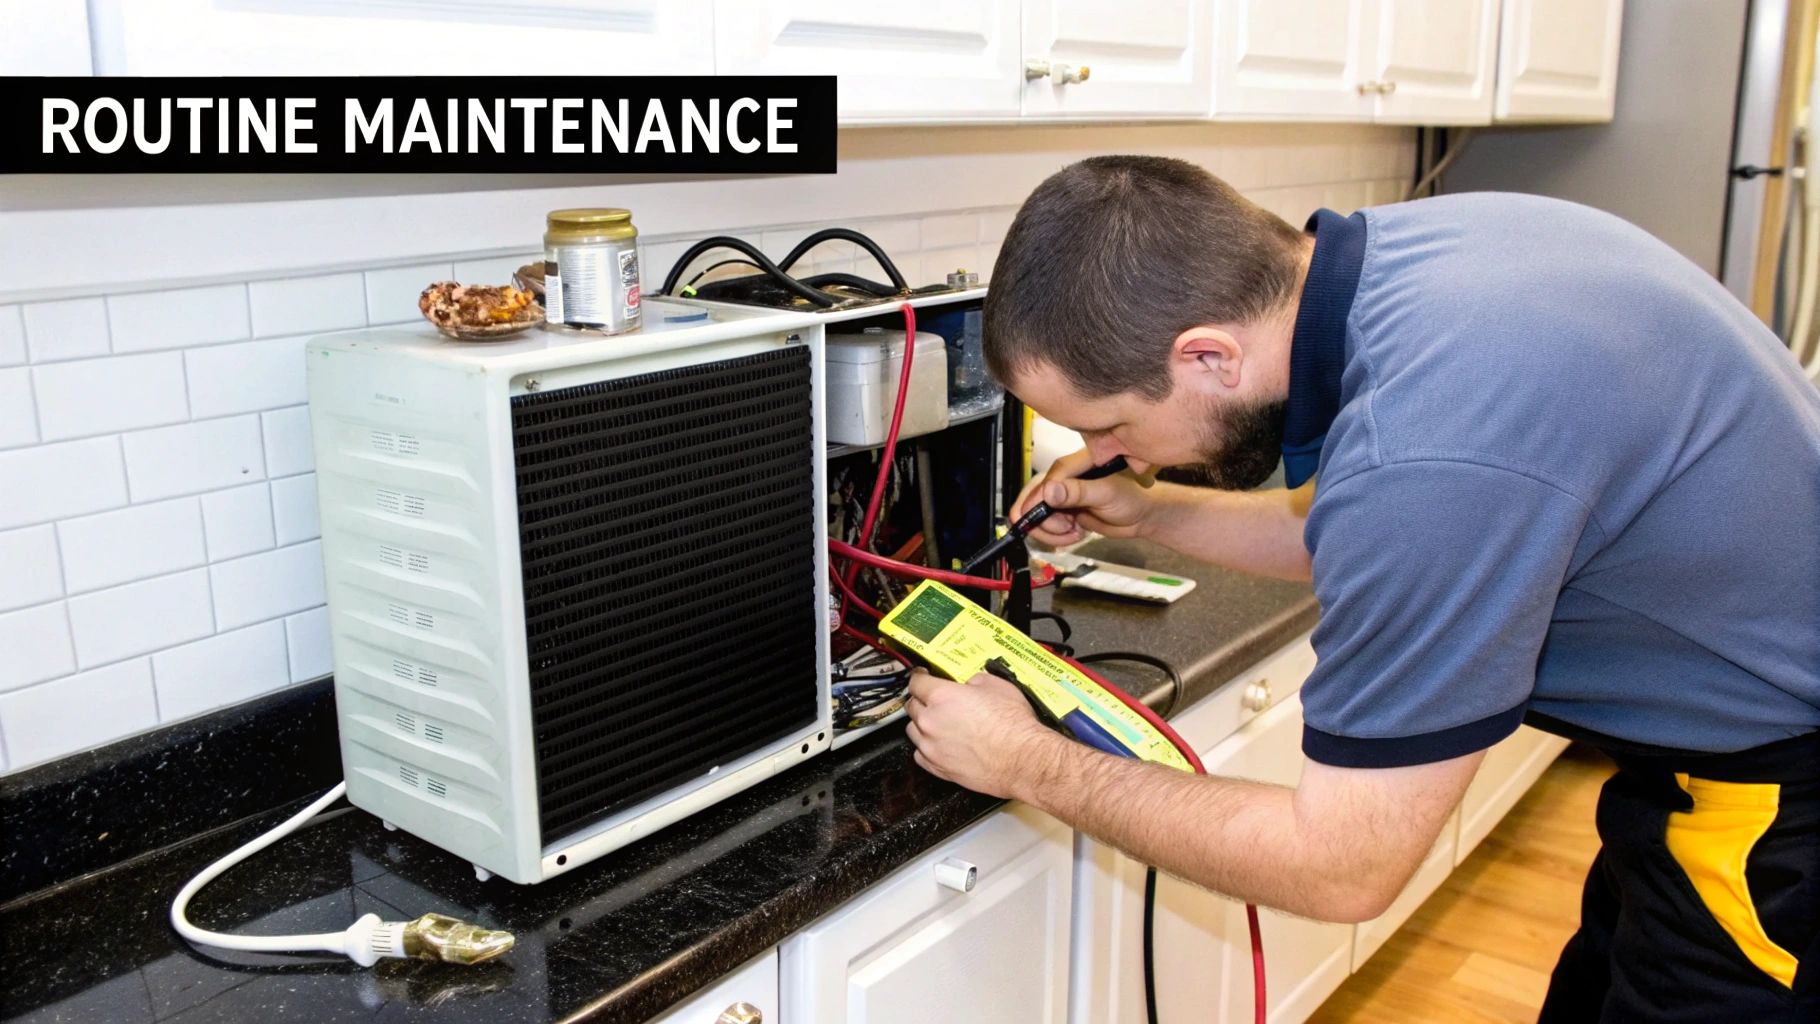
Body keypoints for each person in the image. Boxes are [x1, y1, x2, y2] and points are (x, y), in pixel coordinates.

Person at [902, 155, 1820, 1021]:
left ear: (1209, 355)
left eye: (1109, 426)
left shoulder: (1426, 447)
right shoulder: (1422, 259)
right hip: (1706, 762)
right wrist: (1155, 513)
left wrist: (1028, 763)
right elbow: (1384, 524)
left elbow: (1343, 864)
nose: (1106, 457)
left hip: (1782, 808)